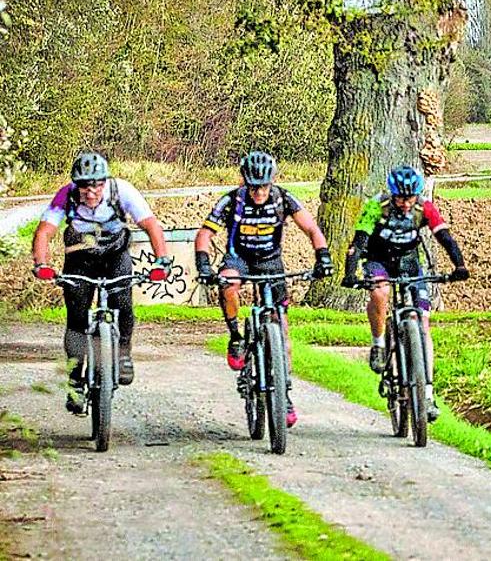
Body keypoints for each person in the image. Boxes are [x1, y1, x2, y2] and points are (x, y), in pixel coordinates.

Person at [193, 151, 333, 427]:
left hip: (271, 261)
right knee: (228, 284)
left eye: (263, 186)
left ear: (272, 182)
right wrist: (204, 264)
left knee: (283, 332)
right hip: (239, 258)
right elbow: (205, 234)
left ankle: (285, 394)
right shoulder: (232, 200)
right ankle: (236, 337)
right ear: (245, 181)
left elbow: (312, 229)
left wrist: (323, 257)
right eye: (253, 186)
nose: (258, 192)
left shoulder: (283, 198)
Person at [31, 152, 172, 414]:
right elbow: (44, 232)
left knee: (124, 306)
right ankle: (74, 380)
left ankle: (124, 353)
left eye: (96, 184)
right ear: (77, 184)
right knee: (76, 320)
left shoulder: (122, 191)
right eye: (85, 185)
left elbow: (151, 225)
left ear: (105, 182)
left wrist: (161, 260)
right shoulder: (66, 195)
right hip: (79, 262)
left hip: (115, 258)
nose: (91, 191)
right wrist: (41, 264)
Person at [342, 164, 469, 421]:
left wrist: (460, 265)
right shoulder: (376, 206)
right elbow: (358, 243)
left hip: (410, 263)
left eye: (410, 198)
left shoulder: (424, 208)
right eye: (401, 198)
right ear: (392, 194)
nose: (405, 204)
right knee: (380, 293)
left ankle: (428, 395)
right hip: (379, 261)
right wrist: (350, 273)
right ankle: (378, 343)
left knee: (423, 322)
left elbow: (445, 237)